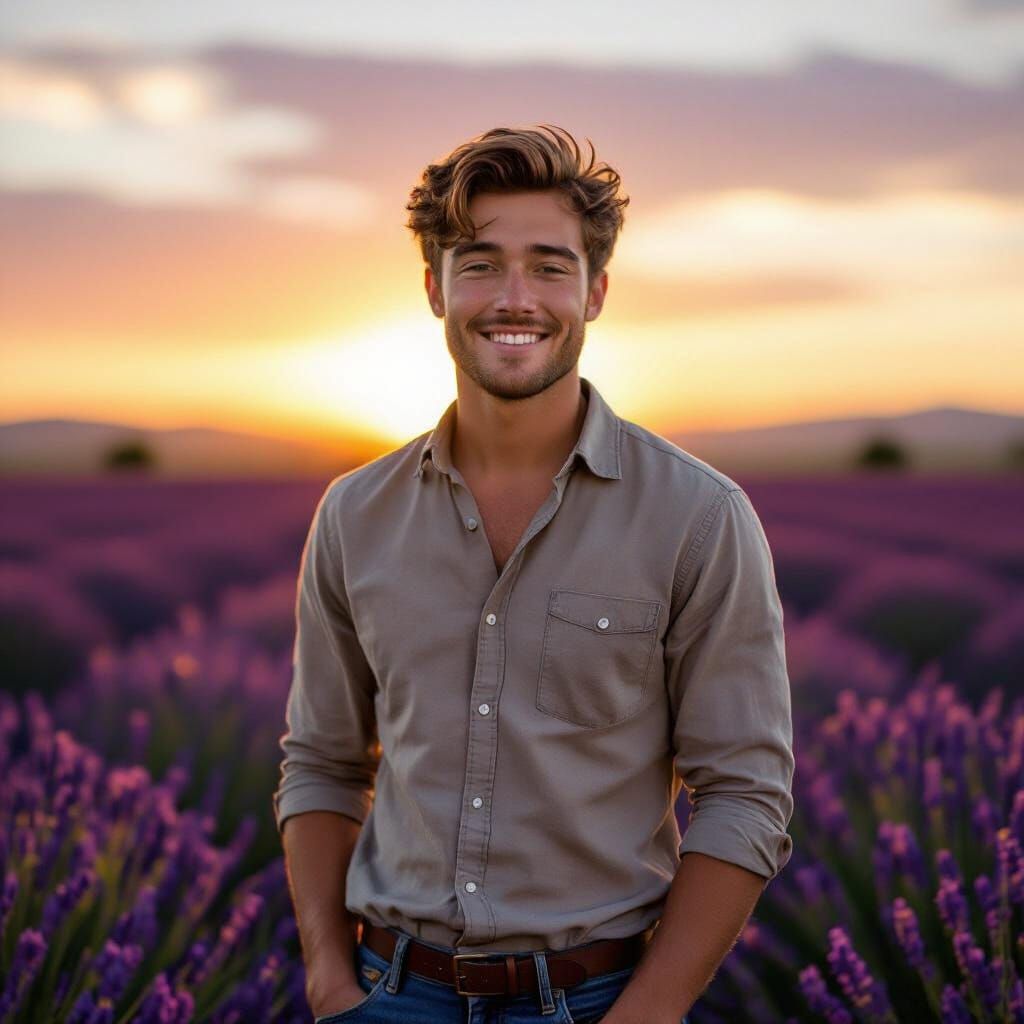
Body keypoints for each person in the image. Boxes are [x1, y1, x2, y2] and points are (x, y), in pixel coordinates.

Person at [273, 124, 795, 1024]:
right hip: (389, 996)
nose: (515, 298)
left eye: (550, 266)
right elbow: (321, 763)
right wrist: (329, 982)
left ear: (595, 291)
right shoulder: (355, 514)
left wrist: (650, 1011)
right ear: (434, 287)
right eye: (479, 264)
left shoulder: (699, 517)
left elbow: (745, 792)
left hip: (598, 1001)